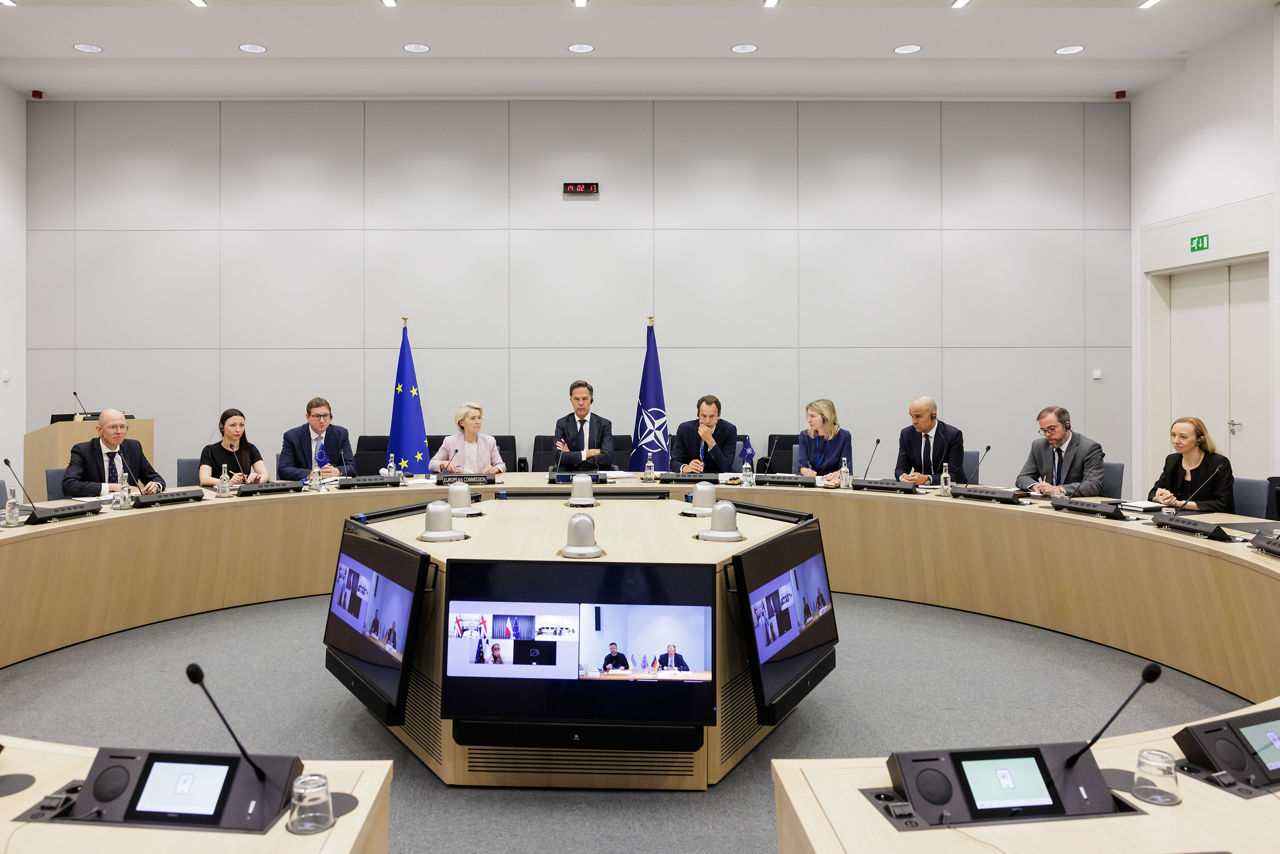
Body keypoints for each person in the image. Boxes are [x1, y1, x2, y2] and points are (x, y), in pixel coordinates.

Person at [62, 408, 165, 498]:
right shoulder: (83, 451)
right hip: (98, 510)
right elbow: (69, 485)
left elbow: (155, 478)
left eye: (123, 427)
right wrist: (111, 487)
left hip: (128, 507)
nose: (119, 431)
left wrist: (155, 485)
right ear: (99, 430)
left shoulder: (134, 447)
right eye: (113, 427)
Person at [1148, 417, 1235, 513]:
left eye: (1183, 437)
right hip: (1178, 520)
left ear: (1200, 440)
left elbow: (1224, 504)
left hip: (1211, 521)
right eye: (1173, 435)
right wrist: (1160, 498)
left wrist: (1178, 503)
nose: (1175, 441)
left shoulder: (1219, 464)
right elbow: (1152, 493)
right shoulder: (1172, 460)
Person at [1015, 405, 1105, 497]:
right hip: (1046, 504)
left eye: (1051, 429)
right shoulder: (1039, 446)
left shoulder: (1089, 448)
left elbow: (1093, 485)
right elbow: (1023, 477)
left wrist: (1059, 489)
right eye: (1043, 430)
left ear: (1067, 425)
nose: (1047, 435)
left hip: (1074, 505)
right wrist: (1035, 486)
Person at [279, 397, 356, 481]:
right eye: (317, 416)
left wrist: (337, 471)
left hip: (332, 487)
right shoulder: (292, 436)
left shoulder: (340, 434)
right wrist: (311, 474)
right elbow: (283, 470)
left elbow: (351, 467)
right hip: (304, 487)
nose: (322, 420)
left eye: (325, 416)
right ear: (307, 417)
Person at [894, 396, 967, 485]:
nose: (914, 421)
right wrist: (903, 477)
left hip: (948, 490)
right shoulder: (907, 434)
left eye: (918, 416)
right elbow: (900, 469)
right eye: (912, 416)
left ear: (933, 416)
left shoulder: (953, 435)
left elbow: (954, 475)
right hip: (919, 490)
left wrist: (927, 479)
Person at [198, 408, 270, 487]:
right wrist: (227, 482)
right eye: (233, 425)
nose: (238, 429)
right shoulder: (209, 450)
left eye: (241, 425)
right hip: (218, 495)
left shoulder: (250, 448)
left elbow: (265, 475)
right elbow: (204, 479)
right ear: (221, 426)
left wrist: (255, 481)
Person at [553, 380, 614, 471]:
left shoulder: (604, 424)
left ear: (591, 400)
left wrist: (573, 460)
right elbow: (558, 457)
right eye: (576, 399)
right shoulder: (562, 423)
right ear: (571, 400)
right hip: (569, 474)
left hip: (596, 473)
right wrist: (590, 453)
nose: (581, 403)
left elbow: (607, 457)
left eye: (584, 399)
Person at [430, 403, 506, 474]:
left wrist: (495, 469)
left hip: (483, 484)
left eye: (479, 418)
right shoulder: (450, 441)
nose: (478, 422)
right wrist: (443, 463)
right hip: (458, 485)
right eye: (473, 418)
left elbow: (501, 465)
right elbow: (432, 464)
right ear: (461, 423)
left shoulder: (489, 441)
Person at [670, 395, 738, 474]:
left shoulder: (729, 430)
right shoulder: (684, 429)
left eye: (712, 416)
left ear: (718, 415)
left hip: (718, 480)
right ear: (698, 415)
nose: (707, 421)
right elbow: (674, 461)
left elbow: (726, 468)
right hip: (692, 479)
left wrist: (710, 440)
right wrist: (685, 468)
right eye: (703, 416)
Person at [797, 398, 853, 483]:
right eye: (808, 416)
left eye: (813, 416)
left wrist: (838, 473)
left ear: (825, 417)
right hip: (811, 484)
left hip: (833, 483)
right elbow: (802, 465)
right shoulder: (805, 435)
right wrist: (805, 471)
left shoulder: (844, 436)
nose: (808, 420)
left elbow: (846, 467)